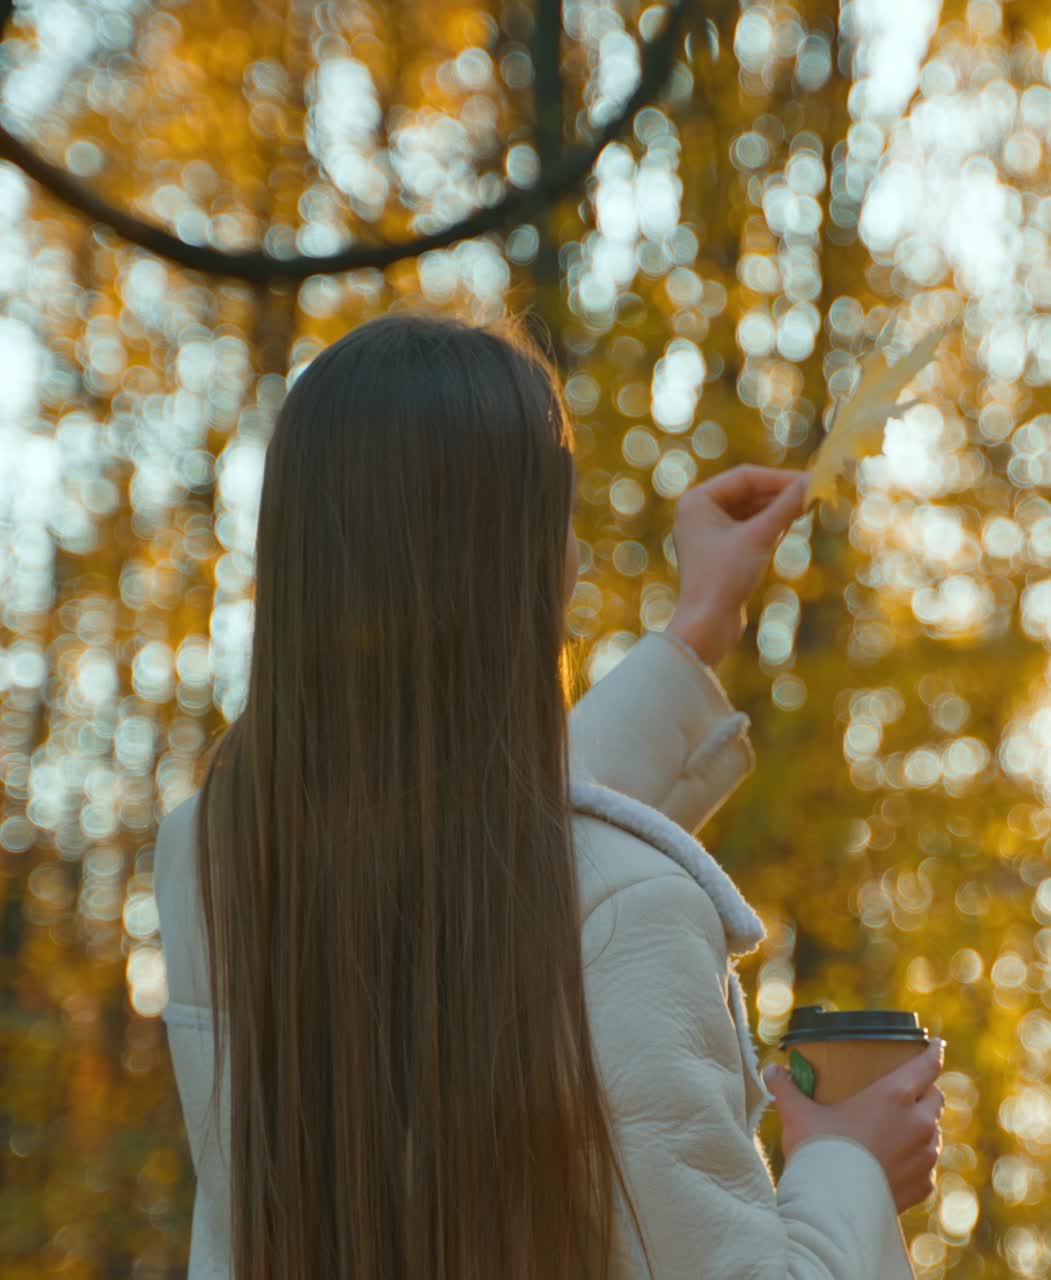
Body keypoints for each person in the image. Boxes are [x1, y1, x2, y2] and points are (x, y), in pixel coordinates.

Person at [154, 309, 944, 1279]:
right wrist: (847, 1164)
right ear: (524, 568)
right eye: (561, 520)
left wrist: (696, 626)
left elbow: (474, 851)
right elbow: (543, 876)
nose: (576, 556)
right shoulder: (635, 913)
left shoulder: (216, 857)